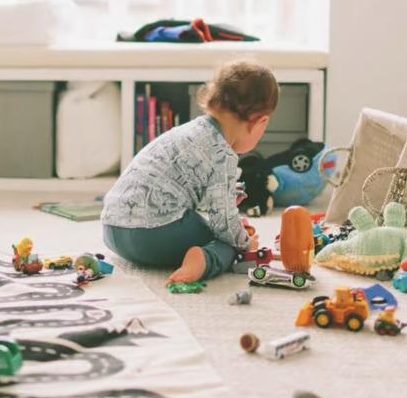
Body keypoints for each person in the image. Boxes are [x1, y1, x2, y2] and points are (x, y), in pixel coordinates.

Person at [101, 59, 279, 284]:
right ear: (259, 122)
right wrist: (245, 243)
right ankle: (202, 260)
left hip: (113, 230)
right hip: (150, 236)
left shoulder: (185, 132)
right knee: (228, 244)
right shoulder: (222, 154)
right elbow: (223, 223)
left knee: (224, 229)